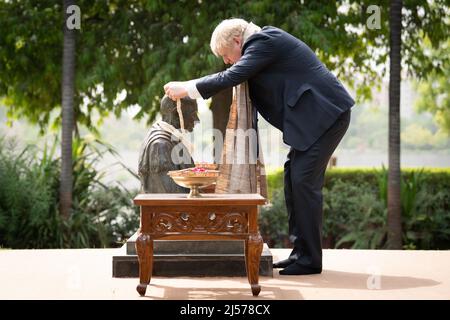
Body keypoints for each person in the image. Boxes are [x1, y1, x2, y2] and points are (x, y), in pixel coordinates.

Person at [163, 18, 354, 275]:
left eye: (226, 55)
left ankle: (309, 260)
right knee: (292, 178)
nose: (227, 61)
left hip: (326, 116)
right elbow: (235, 72)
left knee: (303, 182)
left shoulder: (264, 41)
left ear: (237, 41)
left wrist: (186, 88)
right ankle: (300, 253)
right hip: (314, 121)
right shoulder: (261, 45)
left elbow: (232, 76)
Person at [138, 95, 199, 193]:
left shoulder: (171, 139)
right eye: (193, 114)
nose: (197, 120)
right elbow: (169, 196)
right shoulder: (160, 145)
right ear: (176, 113)